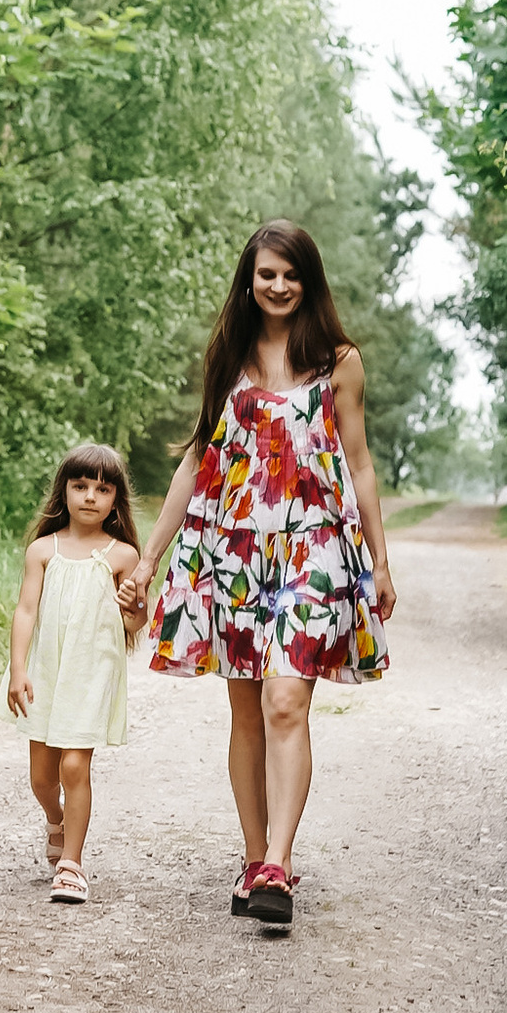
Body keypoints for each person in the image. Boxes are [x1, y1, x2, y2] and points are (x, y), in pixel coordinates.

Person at [136, 221, 394, 928]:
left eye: (290, 274)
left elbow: (360, 463)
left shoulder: (338, 361)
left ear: (308, 280)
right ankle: (255, 861)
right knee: (246, 709)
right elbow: (199, 459)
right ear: (250, 282)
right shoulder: (230, 356)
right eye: (266, 275)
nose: (278, 286)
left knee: (286, 701)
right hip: (234, 550)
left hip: (315, 549)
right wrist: (152, 557)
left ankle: (280, 861)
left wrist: (379, 558)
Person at [7, 442, 146, 906]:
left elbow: (133, 623)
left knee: (73, 766)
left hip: (91, 673)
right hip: (47, 670)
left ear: (115, 500)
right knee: (42, 778)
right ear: (63, 491)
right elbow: (26, 611)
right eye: (80, 486)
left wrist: (136, 609)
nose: (90, 497)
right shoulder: (43, 551)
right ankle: (56, 818)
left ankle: (72, 865)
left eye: (102, 489)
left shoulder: (123, 556)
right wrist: (18, 669)